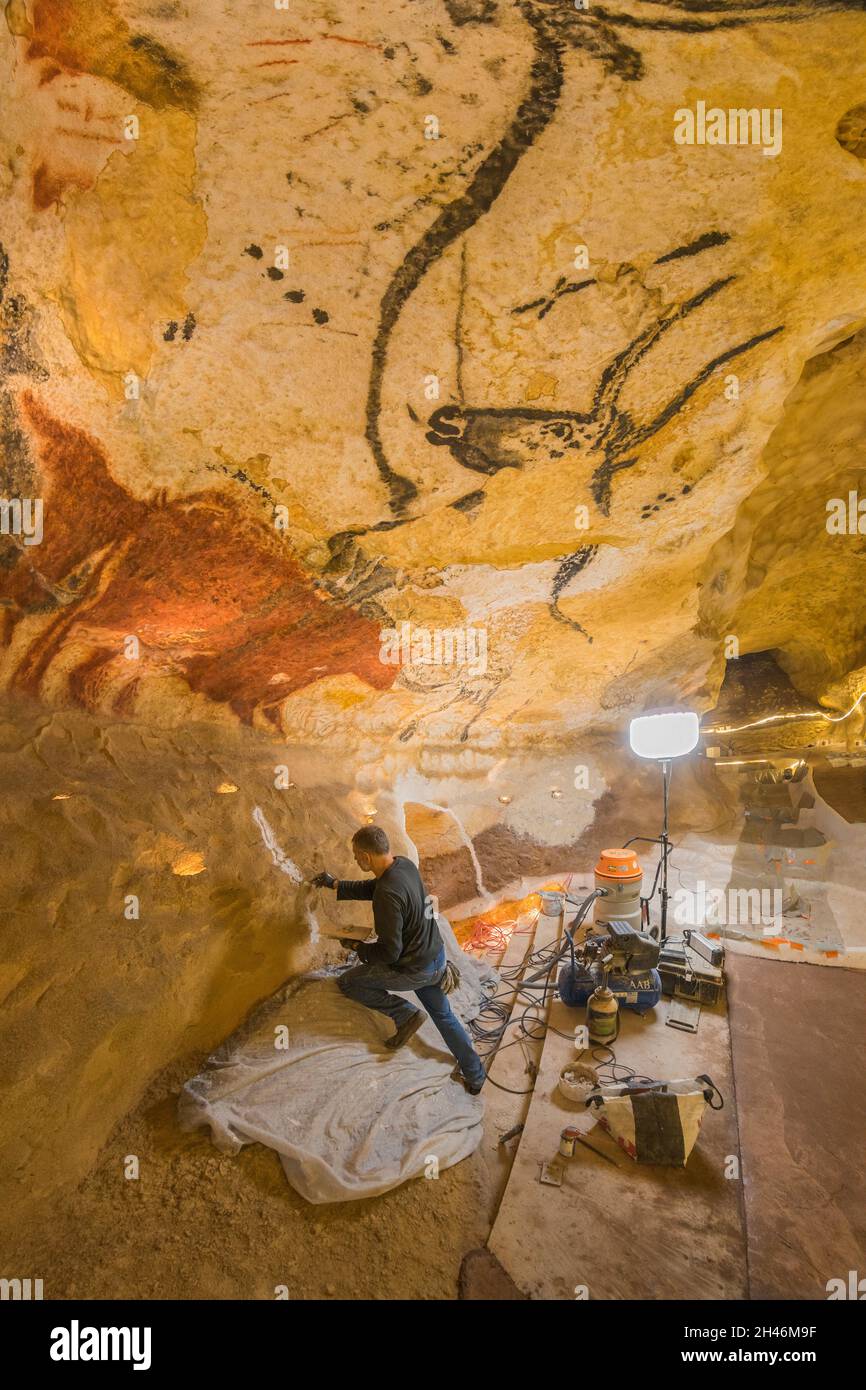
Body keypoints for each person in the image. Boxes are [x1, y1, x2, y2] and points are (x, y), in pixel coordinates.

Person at [312, 825, 486, 1095]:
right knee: (444, 1016)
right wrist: (337, 884)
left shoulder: (387, 895)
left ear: (367, 856)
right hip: (435, 957)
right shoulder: (402, 865)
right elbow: (377, 886)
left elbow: (389, 953)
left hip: (415, 968)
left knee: (349, 982)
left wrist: (358, 946)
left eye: (357, 855)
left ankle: (404, 1014)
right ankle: (475, 1075)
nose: (356, 860)